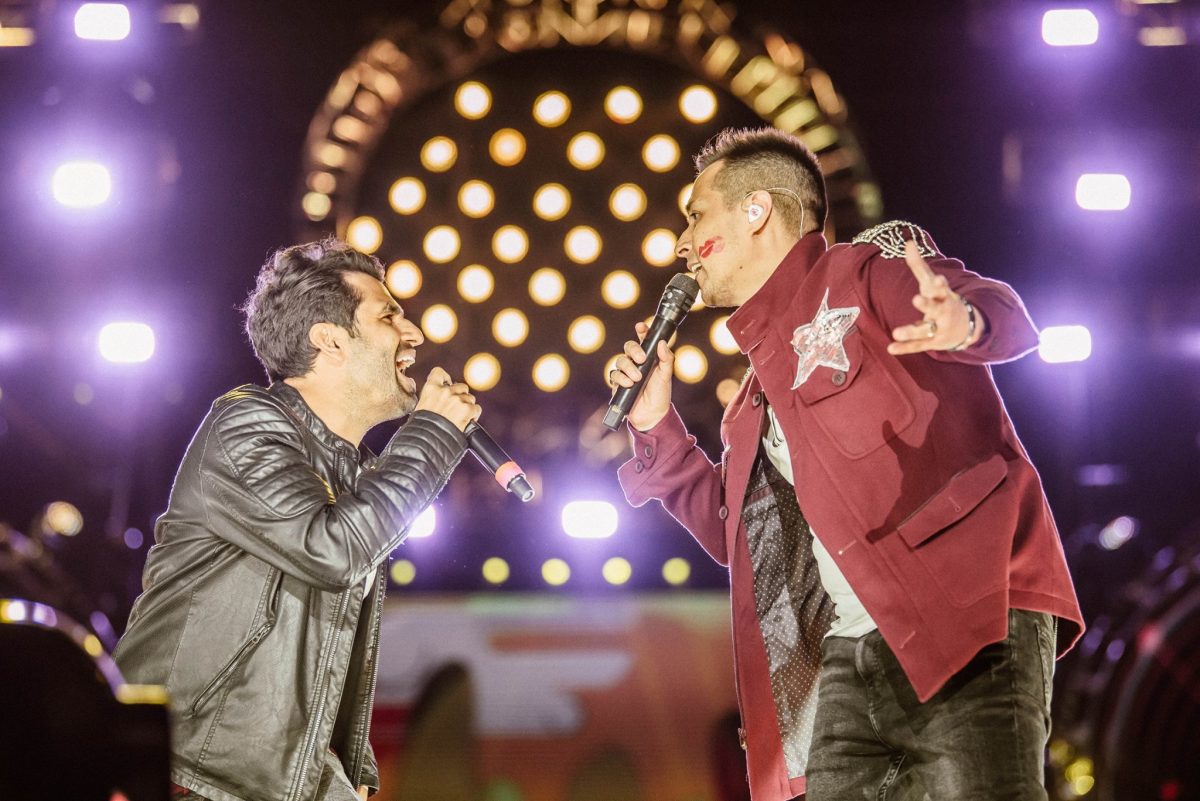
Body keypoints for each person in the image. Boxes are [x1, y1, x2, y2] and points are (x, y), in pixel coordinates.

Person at [608, 127, 1084, 801]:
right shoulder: (750, 404)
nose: (683, 243)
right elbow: (733, 533)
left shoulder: (862, 274)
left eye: (695, 215)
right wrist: (656, 422)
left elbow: (996, 308)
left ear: (756, 210)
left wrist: (964, 322)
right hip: (848, 655)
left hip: (965, 616)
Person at [113, 238, 481, 801]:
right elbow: (329, 551)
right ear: (329, 340)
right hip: (191, 773)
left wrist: (347, 767)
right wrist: (431, 434)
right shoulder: (245, 425)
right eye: (388, 316)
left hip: (277, 781)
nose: (414, 334)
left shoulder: (357, 473)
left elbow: (323, 649)